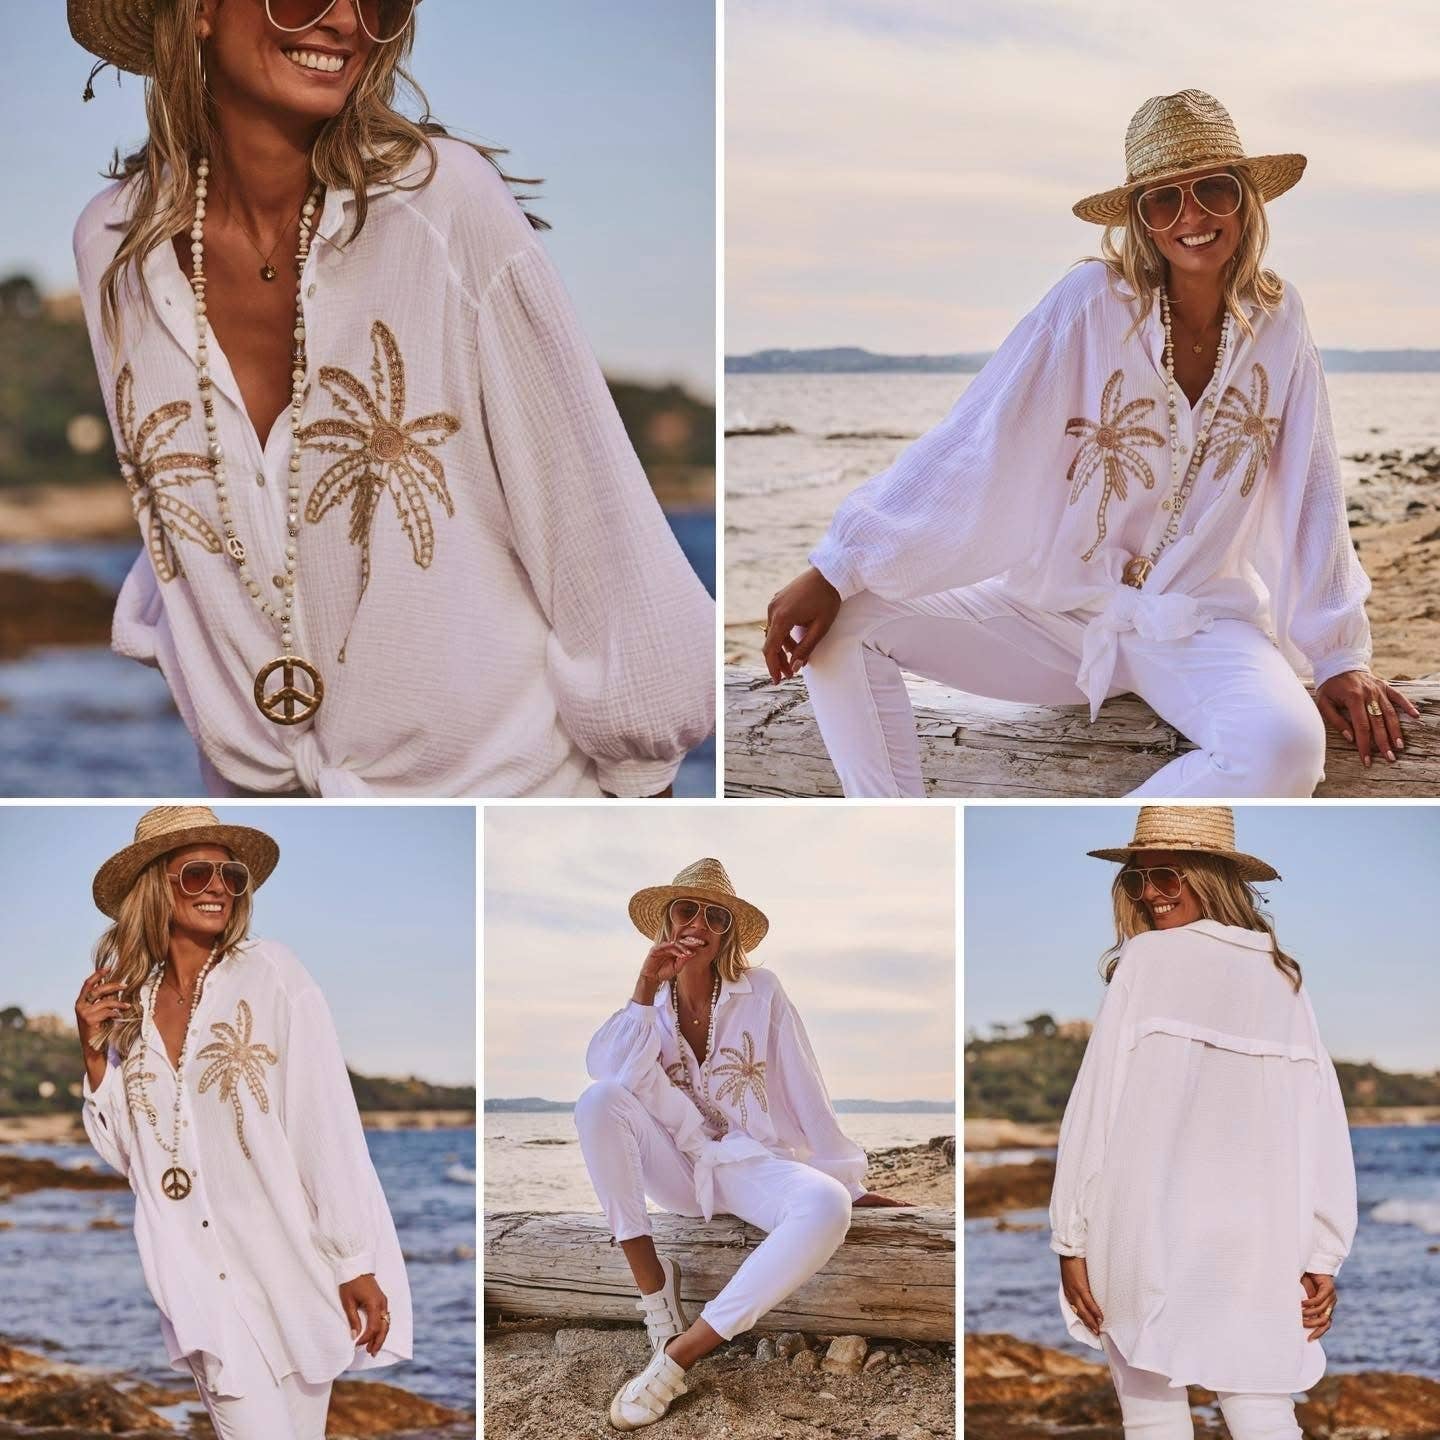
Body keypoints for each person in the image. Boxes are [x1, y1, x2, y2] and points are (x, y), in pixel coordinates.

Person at [67, 0, 713, 797]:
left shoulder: (445, 204)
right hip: (261, 792)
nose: (346, 21)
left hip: (513, 790)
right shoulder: (112, 247)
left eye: (378, 3)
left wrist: (644, 785)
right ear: (199, 10)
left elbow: (589, 516)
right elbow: (179, 523)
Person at [762, 90, 1416, 798]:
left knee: (1286, 751)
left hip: (1199, 621)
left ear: (1246, 199)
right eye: (1163, 200)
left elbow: (1312, 482)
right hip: (1057, 616)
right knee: (845, 623)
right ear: (1140, 219)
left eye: (1213, 190)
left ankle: (1130, 839)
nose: (1191, 216)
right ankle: (894, 823)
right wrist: (839, 564)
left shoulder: (1280, 317)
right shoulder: (1091, 301)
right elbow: (979, 439)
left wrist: (1337, 654)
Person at [77, 804, 411, 1440]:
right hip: (198, 1278)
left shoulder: (272, 973)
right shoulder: (131, 1007)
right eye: (196, 873)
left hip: (290, 1265)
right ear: (155, 886)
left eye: (230, 875)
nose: (218, 889)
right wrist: (94, 1056)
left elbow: (324, 1122)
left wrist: (354, 1259)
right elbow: (131, 1157)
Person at [1049, 806, 1356, 1440]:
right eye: (1136, 879)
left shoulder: (1145, 961)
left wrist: (1069, 1237)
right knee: (1264, 1411)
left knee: (1152, 1415)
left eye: (1165, 875)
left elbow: (1096, 1108)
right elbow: (1322, 1121)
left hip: (1141, 1221)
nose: (1149, 894)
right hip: (1257, 1228)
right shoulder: (1283, 976)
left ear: (1209, 876)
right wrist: (1322, 1247)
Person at [573, 858, 906, 1430]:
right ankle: (656, 1299)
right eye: (687, 909)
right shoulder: (648, 1006)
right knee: (598, 1100)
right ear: (667, 920)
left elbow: (804, 1082)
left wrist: (847, 1182)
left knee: (826, 1204)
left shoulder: (762, 991)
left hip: (749, 1161)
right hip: (678, 1168)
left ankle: (677, 1356)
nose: (698, 924)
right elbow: (608, 1070)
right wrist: (645, 985)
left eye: (716, 916)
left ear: (727, 932)